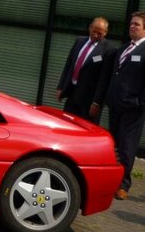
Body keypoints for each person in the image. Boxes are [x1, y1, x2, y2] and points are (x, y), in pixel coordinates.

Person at [93, 11, 145, 200]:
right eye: (131, 24)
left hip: (133, 109)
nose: (132, 26)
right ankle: (111, 179)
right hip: (115, 105)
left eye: (137, 24)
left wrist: (140, 103)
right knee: (113, 144)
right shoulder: (122, 49)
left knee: (127, 147)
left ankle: (123, 185)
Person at [56, 17, 115, 123]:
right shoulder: (79, 41)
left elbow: (104, 79)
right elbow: (69, 65)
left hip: (89, 99)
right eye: (94, 31)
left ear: (105, 33)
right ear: (90, 28)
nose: (96, 35)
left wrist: (97, 102)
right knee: (67, 123)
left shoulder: (109, 50)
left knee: (84, 127)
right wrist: (61, 87)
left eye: (100, 33)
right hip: (72, 92)